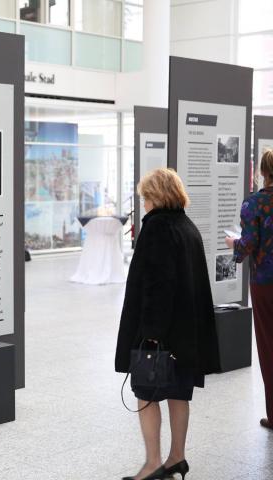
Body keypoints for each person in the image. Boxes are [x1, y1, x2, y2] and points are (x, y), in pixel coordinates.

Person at [115, 168, 220, 480]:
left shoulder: (157, 228)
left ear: (156, 197)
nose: (143, 204)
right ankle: (176, 458)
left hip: (162, 333)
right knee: (179, 393)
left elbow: (157, 285)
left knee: (146, 394)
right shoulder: (187, 226)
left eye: (146, 197)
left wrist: (150, 335)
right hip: (187, 333)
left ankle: (153, 464)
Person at [226, 149, 273, 432]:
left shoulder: (254, 203)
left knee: (269, 346)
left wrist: (234, 244)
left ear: (262, 172)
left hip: (265, 282)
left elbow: (248, 244)